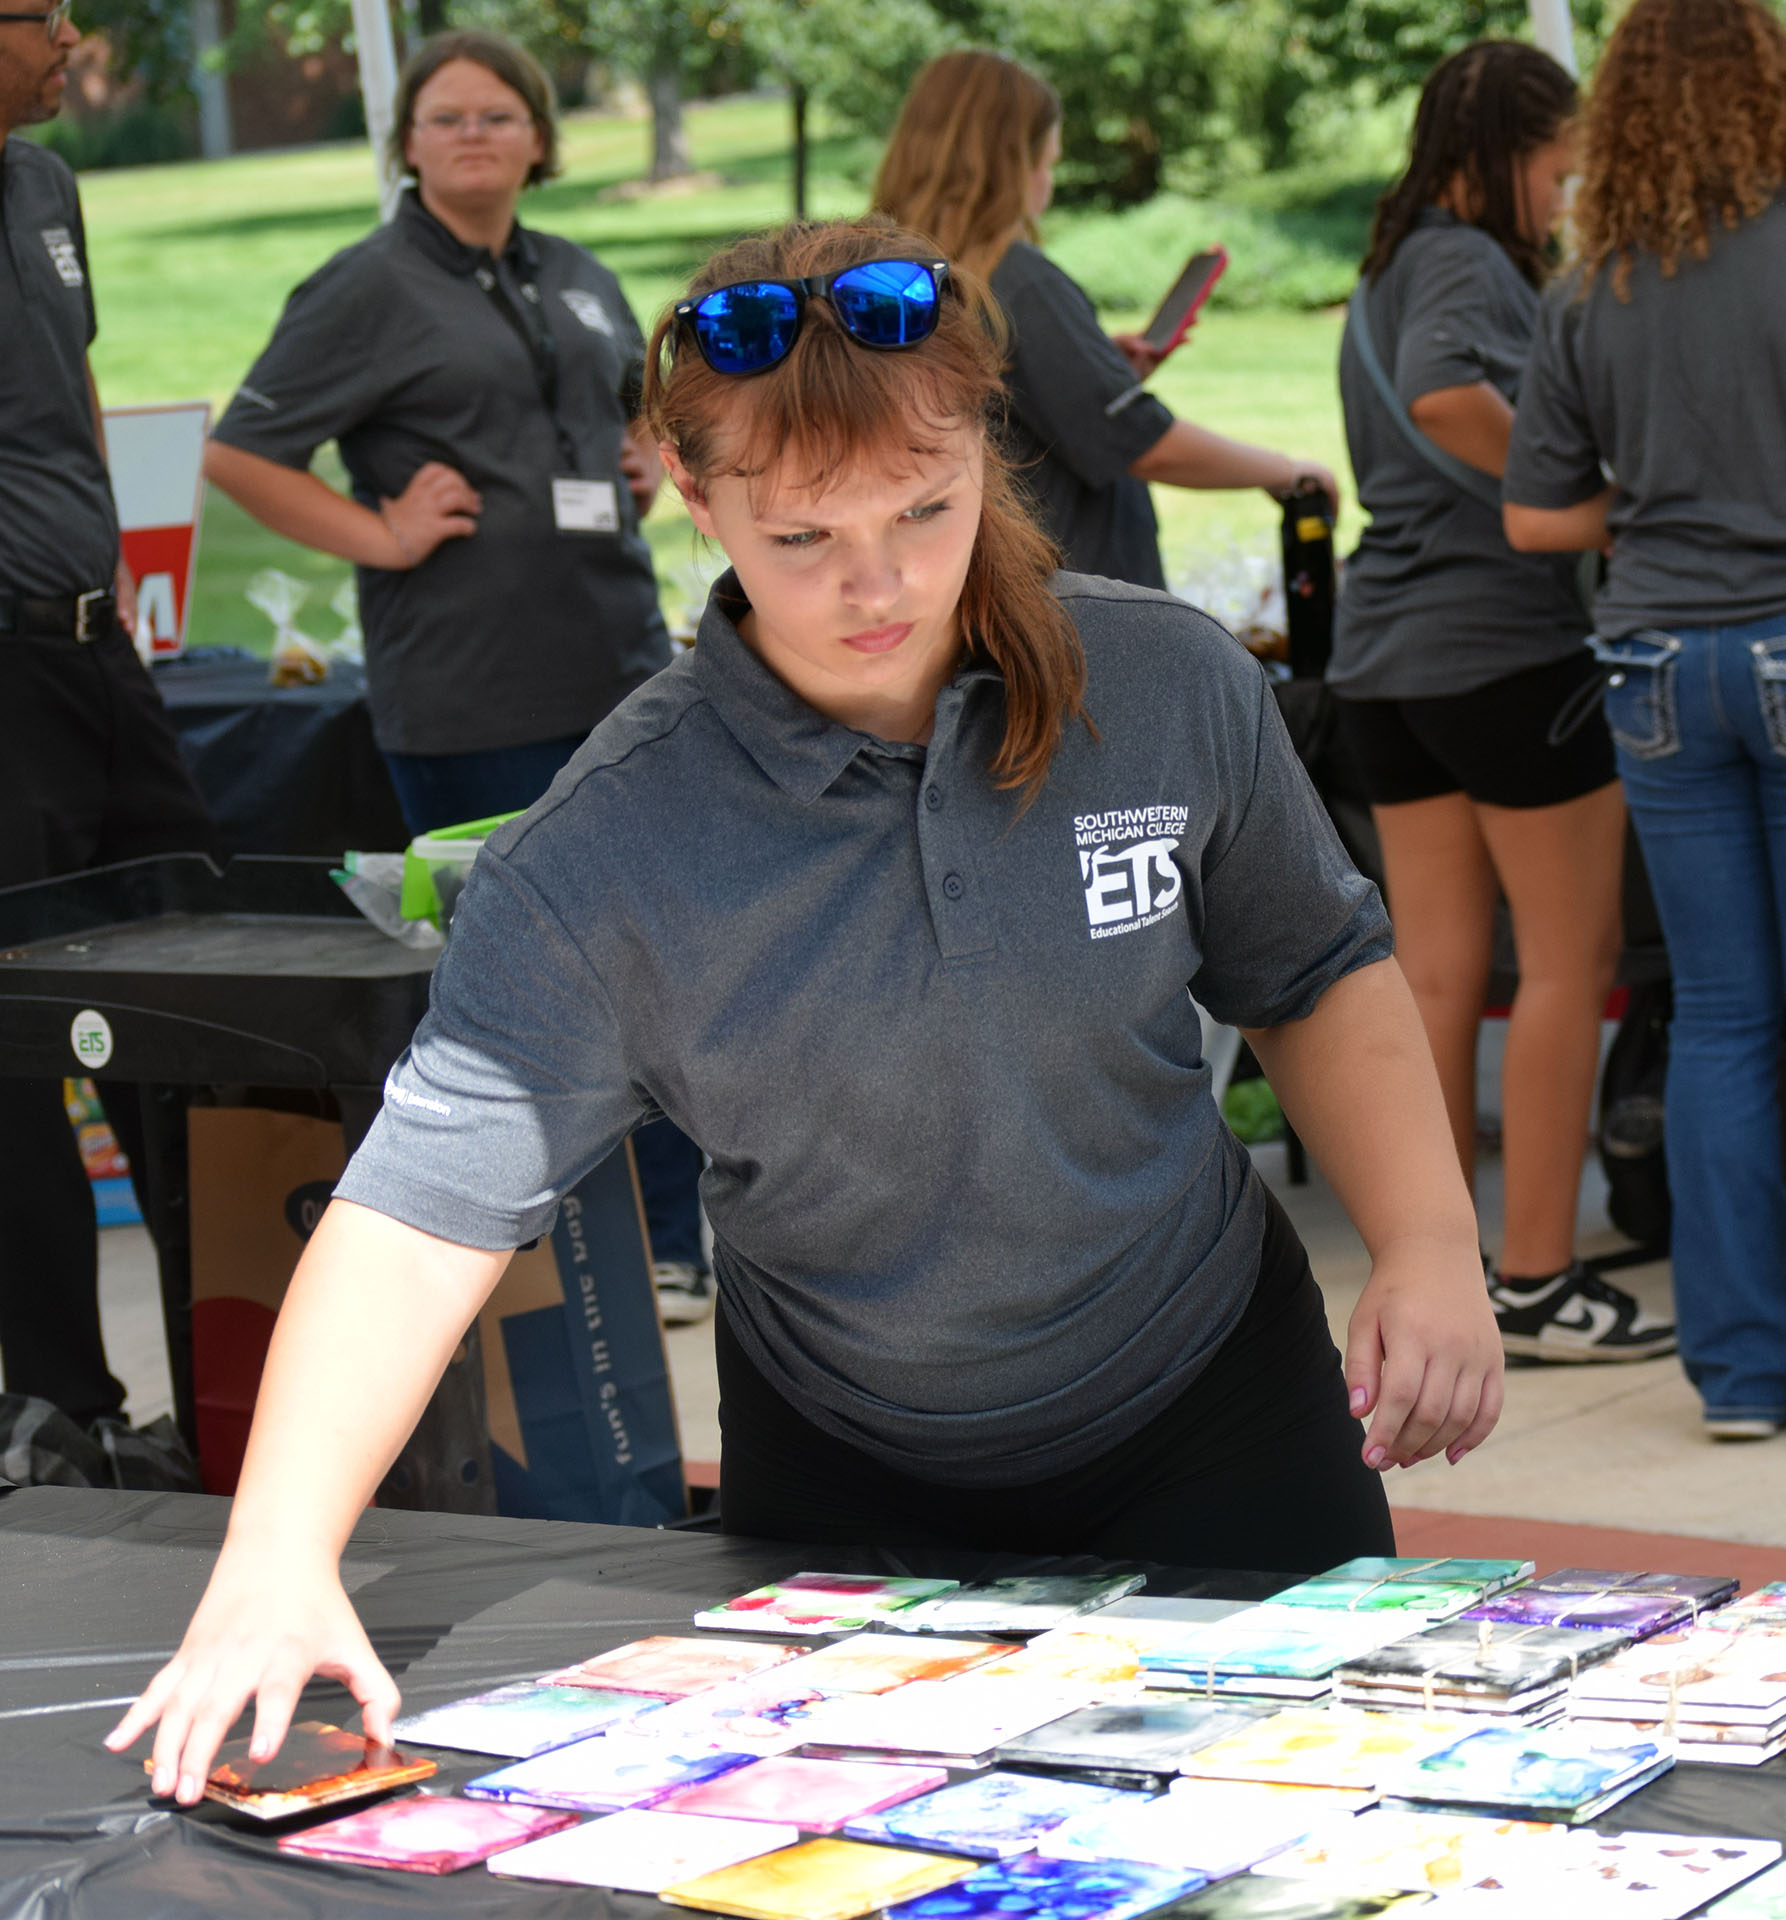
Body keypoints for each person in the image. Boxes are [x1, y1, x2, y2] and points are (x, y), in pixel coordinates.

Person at [110, 219, 1503, 1803]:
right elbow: (423, 1211)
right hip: (848, 1470)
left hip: (1215, 1411)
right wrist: (278, 1552)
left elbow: (1313, 973)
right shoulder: (611, 845)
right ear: (693, 502)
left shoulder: (1172, 684)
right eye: (800, 540)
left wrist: (1429, 1241)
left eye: (926, 509)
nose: (879, 583)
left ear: (992, 444)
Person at [204, 30, 709, 1322]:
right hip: (472, 693)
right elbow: (245, 451)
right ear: (408, 145)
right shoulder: (365, 286)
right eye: (446, 119)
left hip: (620, 670)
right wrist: (378, 533)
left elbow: (631, 414)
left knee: (664, 959)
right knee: (528, 990)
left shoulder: (582, 276)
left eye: (499, 116)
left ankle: (666, 1245)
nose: (474, 136)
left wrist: (642, 460)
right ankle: (535, 1264)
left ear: (539, 138)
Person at [1505, 0, 1786, 1448]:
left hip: (1659, 663)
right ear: (1781, 94)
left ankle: (1742, 1376)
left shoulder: (1592, 287)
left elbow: (1537, 511)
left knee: (1720, 1018)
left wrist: (1676, 505)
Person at [1328, 42, 1673, 1366]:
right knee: (1570, 967)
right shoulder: (1467, 261)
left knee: (1436, 973)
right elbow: (1442, 395)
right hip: (1504, 651)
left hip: (1386, 662)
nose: (1567, 192)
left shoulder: (1387, 260)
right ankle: (1537, 1277)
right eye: (1558, 166)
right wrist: (1593, 494)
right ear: (1508, 152)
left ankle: (1446, 1270)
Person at [0, 0, 217, 1425]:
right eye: (39, 13)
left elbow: (76, 385)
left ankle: (234, 1384)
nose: (73, 34)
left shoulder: (44, 180)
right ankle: (70, 1406)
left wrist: (128, 574)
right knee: (22, 1047)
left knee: (201, 984)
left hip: (100, 647)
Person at [870, 49, 1339, 590]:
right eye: (1047, 163)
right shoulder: (1018, 282)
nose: (1047, 182)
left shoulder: (885, 281)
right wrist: (1287, 471)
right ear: (1011, 165)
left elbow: (1004, 418)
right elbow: (1143, 444)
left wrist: (1096, 372)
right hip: (1075, 604)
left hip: (976, 586)